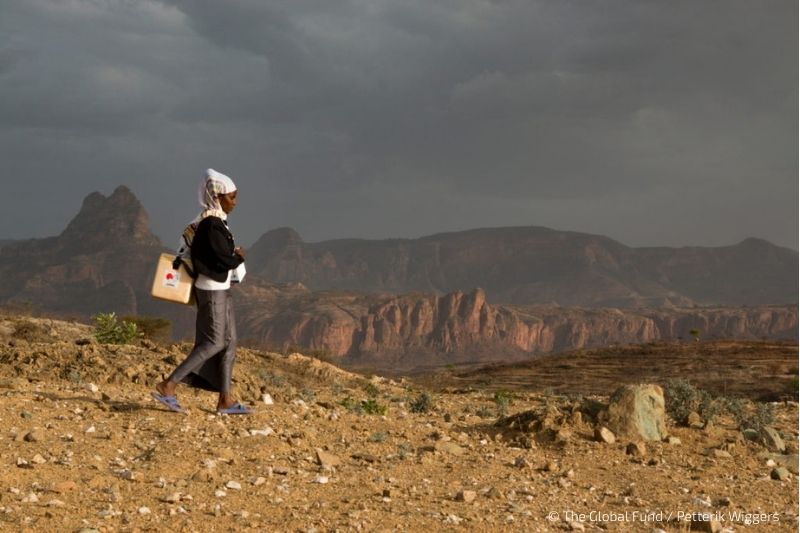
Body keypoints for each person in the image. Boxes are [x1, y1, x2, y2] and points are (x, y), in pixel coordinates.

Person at [152, 169, 251, 415]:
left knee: (229, 343)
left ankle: (225, 399)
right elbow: (218, 259)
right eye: (231, 197)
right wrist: (237, 257)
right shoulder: (210, 225)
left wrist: (232, 259)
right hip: (211, 290)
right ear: (217, 197)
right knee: (213, 342)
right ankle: (168, 385)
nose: (235, 202)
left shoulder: (216, 222)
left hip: (221, 288)